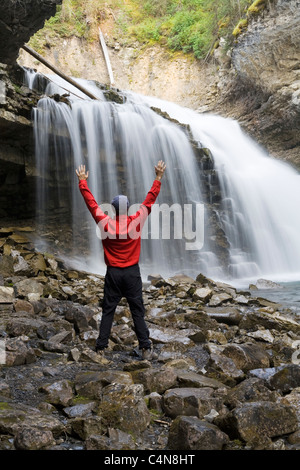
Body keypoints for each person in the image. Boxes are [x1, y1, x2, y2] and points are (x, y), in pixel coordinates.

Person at [76, 160, 166, 360]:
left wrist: (83, 182)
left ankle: (101, 347)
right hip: (132, 272)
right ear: (128, 208)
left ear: (114, 209)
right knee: (137, 311)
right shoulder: (137, 220)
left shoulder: (105, 222)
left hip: (114, 273)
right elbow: (149, 200)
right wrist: (158, 177)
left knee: (108, 310)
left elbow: (91, 204)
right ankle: (145, 348)